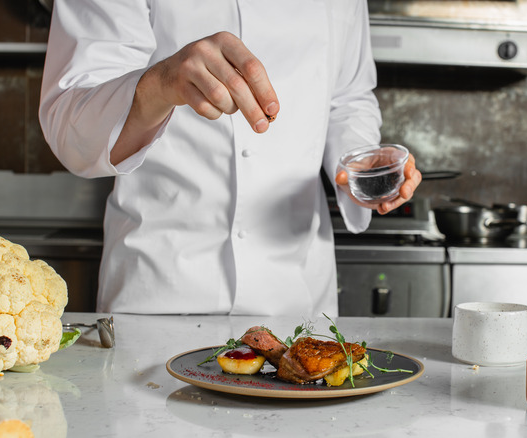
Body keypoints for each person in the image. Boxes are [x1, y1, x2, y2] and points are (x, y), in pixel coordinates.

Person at [39, 0, 422, 316]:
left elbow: (347, 98)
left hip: (296, 297)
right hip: (159, 291)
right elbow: (72, 128)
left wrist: (360, 160)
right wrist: (161, 84)